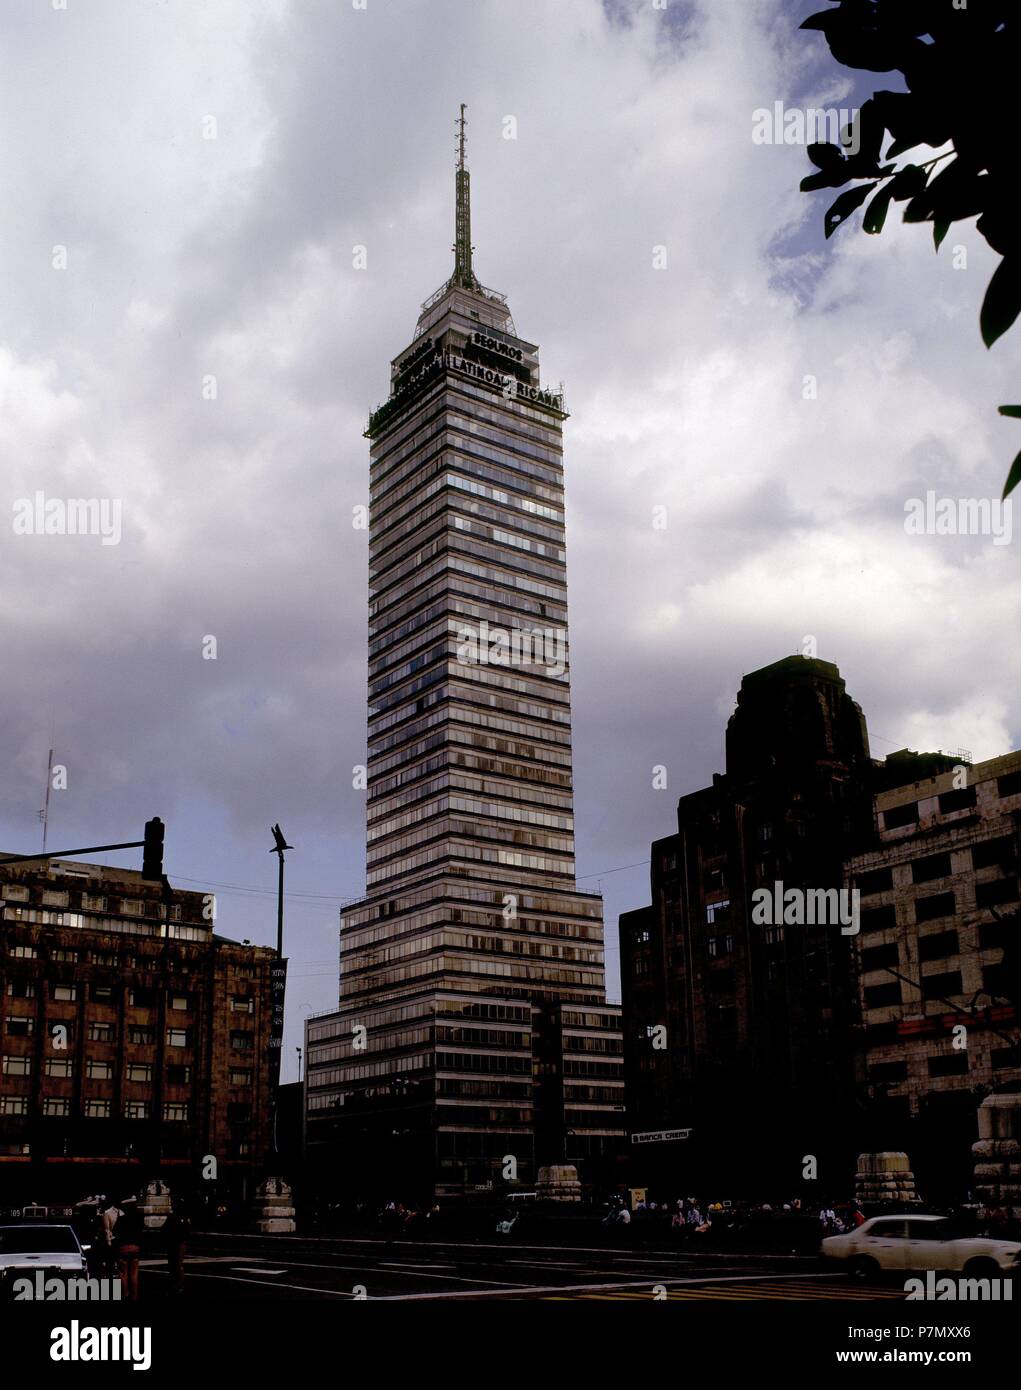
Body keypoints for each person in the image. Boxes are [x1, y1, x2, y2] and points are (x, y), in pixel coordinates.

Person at [114, 1199, 145, 1301]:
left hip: (123, 1248)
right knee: (134, 1273)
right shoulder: (139, 1219)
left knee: (123, 1273)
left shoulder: (121, 1219)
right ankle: (134, 1296)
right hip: (135, 1247)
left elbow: (115, 1232)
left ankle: (125, 1294)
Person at [162, 1201, 191, 1296]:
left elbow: (164, 1229)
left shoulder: (173, 1218)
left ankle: (117, 1296)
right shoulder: (183, 1219)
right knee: (177, 1265)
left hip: (175, 1243)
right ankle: (178, 1284)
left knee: (176, 1265)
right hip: (179, 1242)